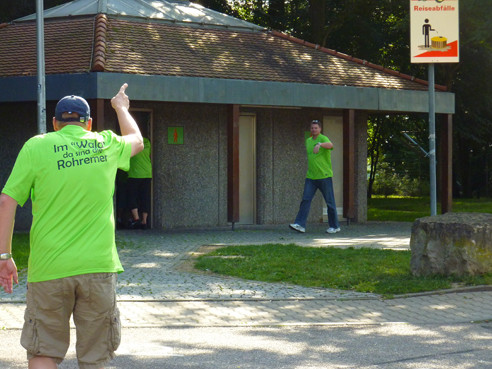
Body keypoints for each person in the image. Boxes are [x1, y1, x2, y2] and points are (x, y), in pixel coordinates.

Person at [0, 83, 143, 369]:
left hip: (49, 267)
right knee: (95, 357)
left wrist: (4, 256)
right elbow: (136, 140)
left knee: (43, 352)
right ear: (88, 124)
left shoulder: (36, 146)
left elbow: (6, 201)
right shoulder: (105, 143)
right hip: (97, 267)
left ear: (55, 124)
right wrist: (121, 107)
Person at [290, 119, 340, 234]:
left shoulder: (323, 138)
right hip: (311, 177)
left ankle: (335, 226)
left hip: (324, 175)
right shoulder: (308, 140)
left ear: (320, 129)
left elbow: (331, 145)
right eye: (312, 128)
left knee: (329, 202)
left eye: (316, 128)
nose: (314, 129)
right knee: (306, 200)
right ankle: (300, 224)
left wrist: (320, 144)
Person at [126, 136, 152, 229]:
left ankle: (136, 219)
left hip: (134, 174)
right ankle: (144, 221)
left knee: (132, 196)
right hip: (147, 174)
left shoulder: (130, 142)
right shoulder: (147, 142)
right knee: (145, 197)